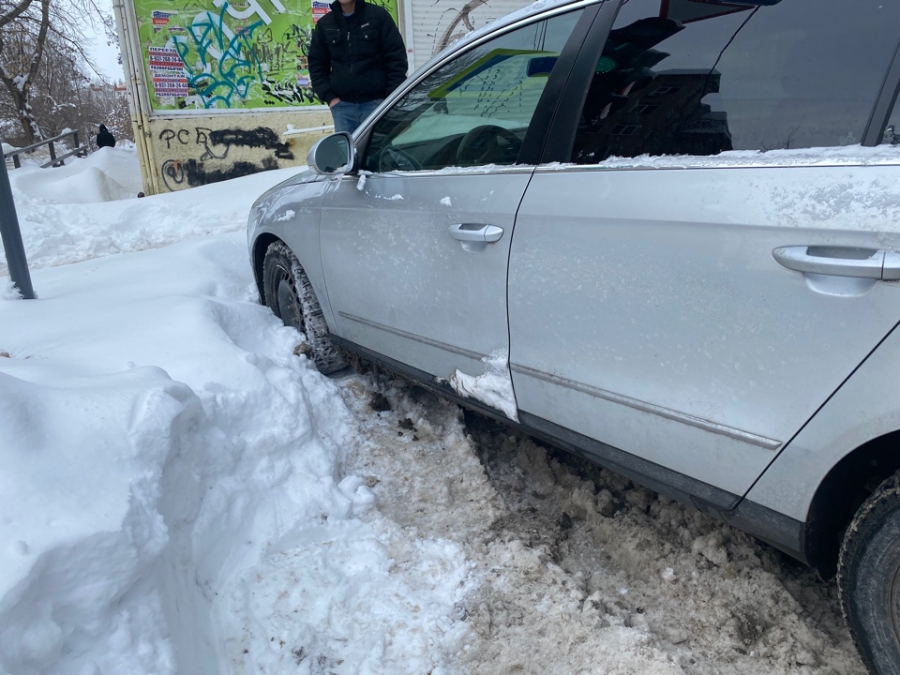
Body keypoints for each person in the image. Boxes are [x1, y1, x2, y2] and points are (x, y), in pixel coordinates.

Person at [308, 0, 408, 134]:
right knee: (348, 153)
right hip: (342, 108)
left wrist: (390, 99)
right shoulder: (326, 24)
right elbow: (317, 64)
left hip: (376, 104)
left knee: (378, 152)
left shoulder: (378, 17)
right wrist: (330, 98)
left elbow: (396, 58)